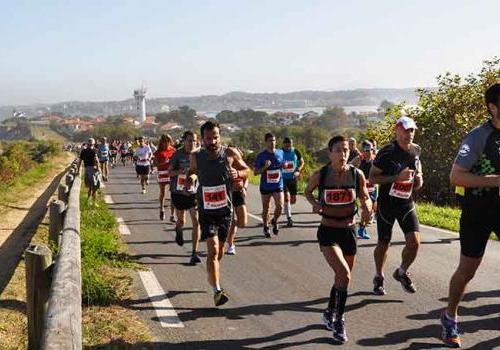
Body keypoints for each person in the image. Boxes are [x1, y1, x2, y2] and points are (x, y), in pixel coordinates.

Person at [440, 83, 500, 348]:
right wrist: (496, 181)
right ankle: (450, 315)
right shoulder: (478, 137)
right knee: (468, 270)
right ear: (492, 107)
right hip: (478, 212)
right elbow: (456, 176)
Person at [305, 135, 372, 343]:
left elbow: (365, 196)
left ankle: (328, 311)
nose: (343, 154)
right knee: (344, 274)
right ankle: (339, 321)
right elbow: (307, 192)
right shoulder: (322, 174)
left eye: (345, 151)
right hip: (328, 231)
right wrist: (315, 203)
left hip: (349, 231)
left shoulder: (356, 174)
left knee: (342, 278)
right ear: (329, 153)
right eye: (338, 150)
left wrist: (367, 207)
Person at [187, 120, 250, 306]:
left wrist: (238, 175)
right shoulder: (196, 156)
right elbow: (193, 172)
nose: (212, 141)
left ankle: (212, 274)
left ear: (219, 136)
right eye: (208, 138)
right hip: (206, 211)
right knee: (213, 249)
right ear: (203, 139)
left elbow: (247, 170)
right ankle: (217, 291)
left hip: (225, 211)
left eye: (215, 137)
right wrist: (191, 179)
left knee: (219, 252)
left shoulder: (229, 153)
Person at [369, 116, 423, 295]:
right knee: (384, 243)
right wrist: (395, 178)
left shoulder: (416, 150)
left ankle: (401, 272)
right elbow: (372, 178)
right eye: (406, 130)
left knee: (414, 243)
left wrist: (419, 178)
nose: (409, 134)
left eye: (412, 130)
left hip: (406, 202)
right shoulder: (386, 152)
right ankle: (378, 276)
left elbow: (417, 166)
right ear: (397, 131)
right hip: (387, 203)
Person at [169, 131, 202, 264]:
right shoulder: (178, 154)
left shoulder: (199, 155)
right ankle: (178, 229)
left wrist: (194, 177)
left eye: (194, 141)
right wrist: (180, 172)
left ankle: (194, 253)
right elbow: (169, 172)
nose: (192, 143)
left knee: (196, 222)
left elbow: (200, 172)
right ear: (184, 141)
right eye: (189, 141)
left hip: (193, 193)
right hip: (178, 193)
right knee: (182, 221)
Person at [254, 133, 284, 237]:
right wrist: (265, 167)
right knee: (266, 208)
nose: (273, 143)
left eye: (274, 140)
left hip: (278, 185)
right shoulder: (261, 156)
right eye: (270, 140)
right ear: (266, 142)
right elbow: (255, 172)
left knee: (280, 206)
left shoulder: (281, 152)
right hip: (265, 186)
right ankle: (266, 226)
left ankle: (274, 220)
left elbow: (282, 165)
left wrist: (283, 165)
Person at [350, 140, 377, 239]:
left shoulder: (376, 159)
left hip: (372, 189)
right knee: (366, 208)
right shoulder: (358, 159)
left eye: (371, 149)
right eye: (366, 150)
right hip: (360, 188)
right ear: (363, 151)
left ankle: (362, 227)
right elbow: (348, 169)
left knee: (370, 211)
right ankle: (355, 228)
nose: (369, 152)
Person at [225, 146, 248, 255]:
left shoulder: (240, 166)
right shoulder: (225, 165)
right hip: (227, 193)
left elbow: (247, 176)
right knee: (232, 220)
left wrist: (244, 188)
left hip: (238, 193)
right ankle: (230, 244)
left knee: (243, 223)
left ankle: (230, 228)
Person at [281, 137, 304, 227]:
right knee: (287, 197)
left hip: (292, 178)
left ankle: (285, 206)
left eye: (290, 145)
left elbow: (302, 162)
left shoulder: (296, 151)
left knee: (293, 200)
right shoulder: (279, 152)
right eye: (286, 145)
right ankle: (289, 218)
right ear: (283, 144)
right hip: (283, 179)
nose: (288, 147)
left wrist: (298, 170)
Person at [153, 134, 176, 221]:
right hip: (162, 173)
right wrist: (164, 163)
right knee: (162, 192)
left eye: (168, 141)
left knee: (173, 194)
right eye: (164, 142)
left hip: (172, 173)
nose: (166, 143)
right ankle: (161, 208)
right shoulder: (158, 152)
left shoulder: (173, 150)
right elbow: (154, 164)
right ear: (161, 142)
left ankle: (172, 215)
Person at [80, 138, 100, 203]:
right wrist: (98, 168)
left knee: (90, 187)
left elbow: (80, 161)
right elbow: (96, 160)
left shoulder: (83, 151)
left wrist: (78, 171)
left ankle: (88, 200)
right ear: (93, 144)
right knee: (94, 187)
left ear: (87, 144)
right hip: (93, 169)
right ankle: (94, 202)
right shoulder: (95, 151)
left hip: (86, 169)